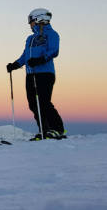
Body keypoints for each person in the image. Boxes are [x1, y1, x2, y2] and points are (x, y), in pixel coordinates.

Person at [6, 8, 66, 140]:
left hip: (45, 73)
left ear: (40, 19)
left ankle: (58, 129)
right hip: (30, 75)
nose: (30, 24)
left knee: (44, 102)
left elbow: (54, 51)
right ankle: (44, 131)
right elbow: (25, 56)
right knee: (33, 104)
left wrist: (40, 60)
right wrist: (15, 65)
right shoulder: (30, 38)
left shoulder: (52, 34)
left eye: (31, 21)